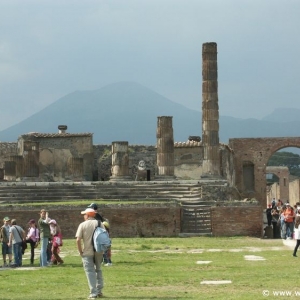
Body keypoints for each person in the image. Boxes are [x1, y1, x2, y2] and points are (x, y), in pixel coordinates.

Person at [76, 208, 105, 299]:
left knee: (90, 271)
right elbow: (105, 236)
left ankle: (93, 292)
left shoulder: (82, 225)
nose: (84, 216)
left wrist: (80, 251)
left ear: (87, 215)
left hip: (87, 251)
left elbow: (78, 239)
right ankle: (99, 290)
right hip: (98, 250)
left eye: (84, 214)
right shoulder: (100, 223)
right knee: (98, 269)